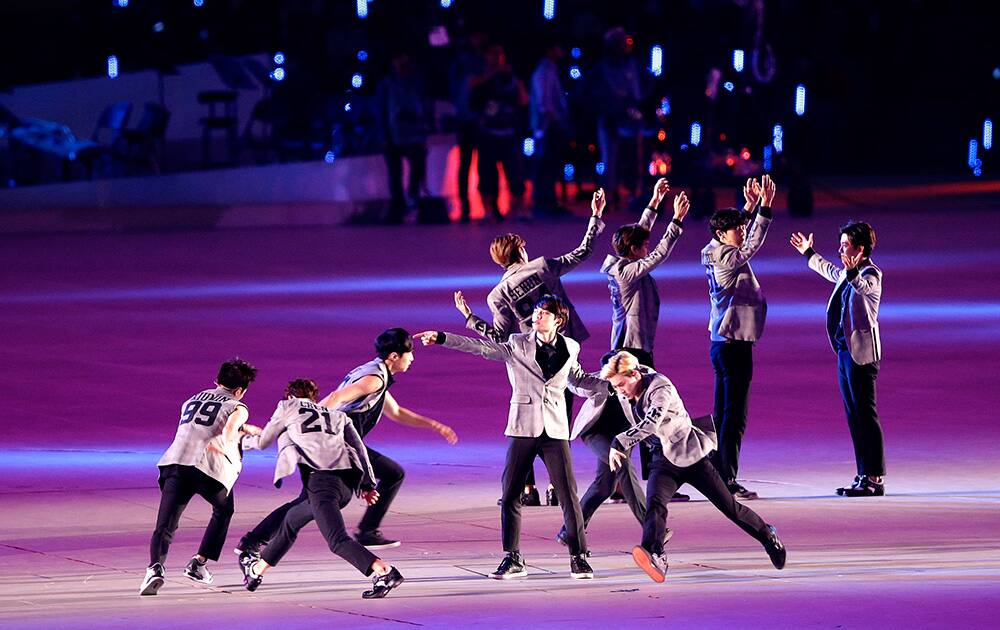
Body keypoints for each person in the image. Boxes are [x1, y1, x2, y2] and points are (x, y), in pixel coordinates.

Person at [417, 295, 606, 580]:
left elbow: (577, 380)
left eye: (544, 313)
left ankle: (579, 557)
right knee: (510, 495)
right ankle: (513, 557)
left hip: (555, 429)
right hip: (522, 427)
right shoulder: (518, 343)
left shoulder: (571, 346)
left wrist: (610, 384)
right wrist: (443, 337)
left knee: (568, 495)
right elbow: (481, 348)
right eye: (537, 312)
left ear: (558, 320)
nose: (537, 317)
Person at [234, 329, 457, 558]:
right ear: (393, 356)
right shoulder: (373, 380)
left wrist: (434, 425)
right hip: (338, 447)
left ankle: (366, 531)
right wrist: (305, 421)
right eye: (409, 353)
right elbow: (335, 397)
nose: (412, 358)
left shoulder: (377, 373)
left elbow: (397, 412)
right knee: (312, 504)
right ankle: (254, 541)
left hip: (342, 445)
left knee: (386, 476)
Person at [454, 190, 605, 504]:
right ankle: (556, 486)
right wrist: (595, 216)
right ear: (520, 250)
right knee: (558, 418)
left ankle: (527, 489)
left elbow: (498, 336)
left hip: (525, 360)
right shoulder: (542, 266)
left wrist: (469, 317)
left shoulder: (497, 295)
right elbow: (583, 252)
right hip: (561, 349)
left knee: (527, 421)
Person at [602, 351, 786, 583]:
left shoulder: (661, 387)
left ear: (635, 374)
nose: (619, 391)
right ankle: (655, 553)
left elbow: (650, 424)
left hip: (690, 454)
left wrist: (619, 442)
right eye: (615, 386)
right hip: (662, 457)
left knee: (729, 507)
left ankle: (767, 534)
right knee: (655, 505)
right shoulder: (625, 385)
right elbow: (593, 382)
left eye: (621, 385)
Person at [239, 379, 405, 599]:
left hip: (322, 485)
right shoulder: (337, 415)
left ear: (289, 397)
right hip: (346, 485)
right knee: (291, 520)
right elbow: (359, 450)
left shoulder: (288, 407)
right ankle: (256, 572)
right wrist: (367, 485)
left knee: (337, 541)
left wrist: (239, 440)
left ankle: (384, 571)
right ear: (314, 398)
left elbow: (262, 442)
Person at [139, 358, 260, 596]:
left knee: (166, 523)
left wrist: (243, 428)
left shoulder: (191, 400)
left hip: (175, 462)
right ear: (240, 391)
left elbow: (202, 424)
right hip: (207, 468)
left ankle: (155, 568)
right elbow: (226, 432)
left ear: (216, 381)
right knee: (224, 510)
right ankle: (198, 563)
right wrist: (242, 439)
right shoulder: (238, 406)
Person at [790, 222, 886, 496]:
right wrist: (809, 253)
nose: (841, 249)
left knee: (866, 415)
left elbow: (863, 287)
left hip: (862, 354)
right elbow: (833, 272)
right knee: (853, 415)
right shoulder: (849, 272)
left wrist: (852, 270)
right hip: (845, 351)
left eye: (846, 245)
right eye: (841, 244)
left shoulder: (872, 274)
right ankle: (862, 473)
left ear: (861, 249)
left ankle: (875, 478)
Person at [700, 175, 776, 500]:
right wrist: (765, 208)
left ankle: (716, 473)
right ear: (722, 234)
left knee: (721, 414)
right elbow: (752, 245)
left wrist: (745, 209)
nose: (741, 231)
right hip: (734, 345)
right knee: (734, 416)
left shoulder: (710, 249)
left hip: (720, 343)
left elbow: (738, 237)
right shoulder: (728, 258)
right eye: (736, 228)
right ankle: (727, 480)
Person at [601, 178, 688, 368]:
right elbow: (659, 254)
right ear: (633, 249)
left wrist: (655, 200)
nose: (647, 248)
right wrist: (676, 220)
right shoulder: (627, 271)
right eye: (645, 245)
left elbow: (641, 230)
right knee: (637, 393)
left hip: (633, 342)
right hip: (632, 345)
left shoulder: (624, 263)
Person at [470, 43, 529, 221]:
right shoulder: (480, 78)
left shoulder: (512, 78)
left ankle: (519, 210)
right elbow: (471, 96)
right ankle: (488, 211)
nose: (496, 58)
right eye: (492, 54)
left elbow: (524, 100)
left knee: (515, 174)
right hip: (487, 134)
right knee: (486, 174)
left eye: (499, 54)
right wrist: (489, 77)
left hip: (508, 134)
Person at [376, 51, 432, 224]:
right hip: (393, 134)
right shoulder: (387, 84)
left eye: (404, 58)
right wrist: (384, 134)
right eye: (398, 58)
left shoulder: (417, 82)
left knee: (417, 169)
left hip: (415, 133)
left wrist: (426, 129)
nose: (402, 61)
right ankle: (398, 206)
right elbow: (380, 110)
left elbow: (426, 104)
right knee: (395, 174)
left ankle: (414, 200)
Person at [592, 27, 643, 206]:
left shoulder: (631, 65)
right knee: (609, 158)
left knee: (632, 156)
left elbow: (636, 92)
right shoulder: (602, 68)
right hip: (609, 117)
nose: (626, 46)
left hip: (629, 116)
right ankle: (609, 194)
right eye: (622, 43)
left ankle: (631, 192)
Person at [448, 31, 488, 222]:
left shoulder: (480, 59)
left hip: (477, 119)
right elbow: (463, 88)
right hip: (467, 120)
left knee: (481, 164)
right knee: (467, 165)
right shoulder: (464, 61)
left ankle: (485, 205)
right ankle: (466, 206)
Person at [529, 42, 571, 216]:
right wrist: (553, 119)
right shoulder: (544, 71)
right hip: (547, 125)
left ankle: (549, 200)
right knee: (545, 163)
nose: (560, 50)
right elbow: (544, 101)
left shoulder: (550, 69)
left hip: (550, 123)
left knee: (551, 163)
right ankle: (542, 201)